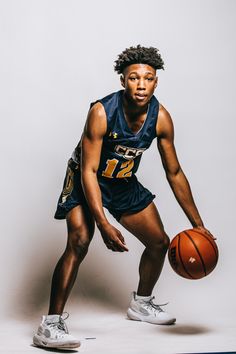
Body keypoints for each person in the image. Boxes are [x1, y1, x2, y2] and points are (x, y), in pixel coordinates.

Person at [33, 45, 213, 349]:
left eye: (148, 78)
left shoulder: (162, 118)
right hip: (83, 179)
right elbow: (89, 171)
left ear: (156, 82)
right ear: (122, 80)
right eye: (133, 78)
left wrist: (198, 224)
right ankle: (49, 326)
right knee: (78, 242)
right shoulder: (102, 112)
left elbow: (175, 173)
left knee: (159, 243)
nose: (141, 85)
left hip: (122, 181)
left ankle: (141, 304)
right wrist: (103, 224)